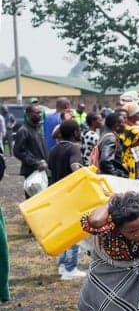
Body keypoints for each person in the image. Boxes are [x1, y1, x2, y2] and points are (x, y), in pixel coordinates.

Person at [49, 119, 88, 280]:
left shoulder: (54, 149)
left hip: (56, 194)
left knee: (63, 232)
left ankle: (63, 266)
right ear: (75, 133)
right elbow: (75, 167)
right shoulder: (74, 148)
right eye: (78, 130)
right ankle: (70, 269)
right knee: (74, 233)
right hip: (71, 196)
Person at [96, 111, 139, 179]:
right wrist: (119, 176)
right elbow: (105, 161)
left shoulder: (106, 134)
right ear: (117, 125)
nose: (125, 125)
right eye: (123, 123)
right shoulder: (111, 138)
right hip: (115, 180)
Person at [13, 104, 48, 192]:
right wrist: (35, 162)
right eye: (36, 113)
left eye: (40, 112)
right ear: (29, 114)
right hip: (32, 170)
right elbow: (18, 151)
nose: (39, 115)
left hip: (43, 169)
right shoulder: (23, 130)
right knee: (32, 198)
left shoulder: (38, 128)